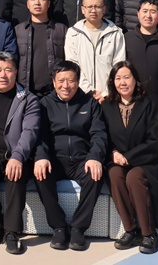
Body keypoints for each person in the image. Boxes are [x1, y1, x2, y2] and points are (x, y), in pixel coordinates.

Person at [32, 60, 106, 251]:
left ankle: (78, 228)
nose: (66, 86)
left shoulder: (90, 103)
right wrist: (41, 156)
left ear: (78, 81)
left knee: (95, 175)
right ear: (54, 81)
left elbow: (99, 133)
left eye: (71, 80)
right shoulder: (44, 104)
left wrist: (95, 157)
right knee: (40, 174)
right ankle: (58, 226)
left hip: (82, 160)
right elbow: (40, 135)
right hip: (55, 160)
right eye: (61, 81)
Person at [0, 52, 41, 255]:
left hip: (16, 155)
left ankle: (12, 232)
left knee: (15, 175)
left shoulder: (28, 99)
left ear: (16, 72)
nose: (3, 74)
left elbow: (30, 131)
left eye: (8, 70)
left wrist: (18, 156)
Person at [103, 61, 158, 254]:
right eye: (118, 78)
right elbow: (102, 137)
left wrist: (129, 157)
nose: (123, 82)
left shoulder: (149, 104)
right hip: (117, 160)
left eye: (127, 77)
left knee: (133, 176)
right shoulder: (106, 106)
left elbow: (155, 140)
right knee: (114, 174)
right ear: (112, 82)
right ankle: (130, 229)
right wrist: (113, 154)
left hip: (146, 161)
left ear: (135, 80)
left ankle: (149, 233)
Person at [65, 0, 125, 100]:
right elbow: (73, 65)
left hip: (109, 96)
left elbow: (118, 65)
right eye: (89, 7)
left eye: (97, 6)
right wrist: (89, 90)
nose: (93, 10)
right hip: (81, 95)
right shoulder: (73, 33)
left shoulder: (115, 33)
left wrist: (106, 92)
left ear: (104, 9)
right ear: (83, 9)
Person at [15, 0, 67, 96]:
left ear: (48, 4)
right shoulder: (19, 30)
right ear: (28, 5)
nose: (37, 3)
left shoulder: (61, 30)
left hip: (54, 92)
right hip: (26, 92)